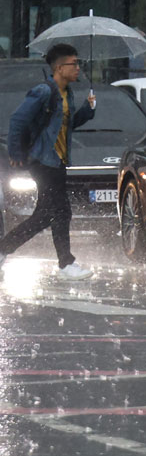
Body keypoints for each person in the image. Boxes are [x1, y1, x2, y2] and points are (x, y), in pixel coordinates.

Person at [0, 43, 96, 280]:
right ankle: (66, 264)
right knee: (61, 212)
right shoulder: (44, 91)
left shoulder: (68, 94)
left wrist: (88, 109)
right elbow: (17, 121)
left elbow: (68, 125)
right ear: (59, 67)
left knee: (44, 215)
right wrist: (16, 154)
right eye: (73, 64)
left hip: (58, 161)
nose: (77, 68)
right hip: (43, 161)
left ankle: (4, 250)